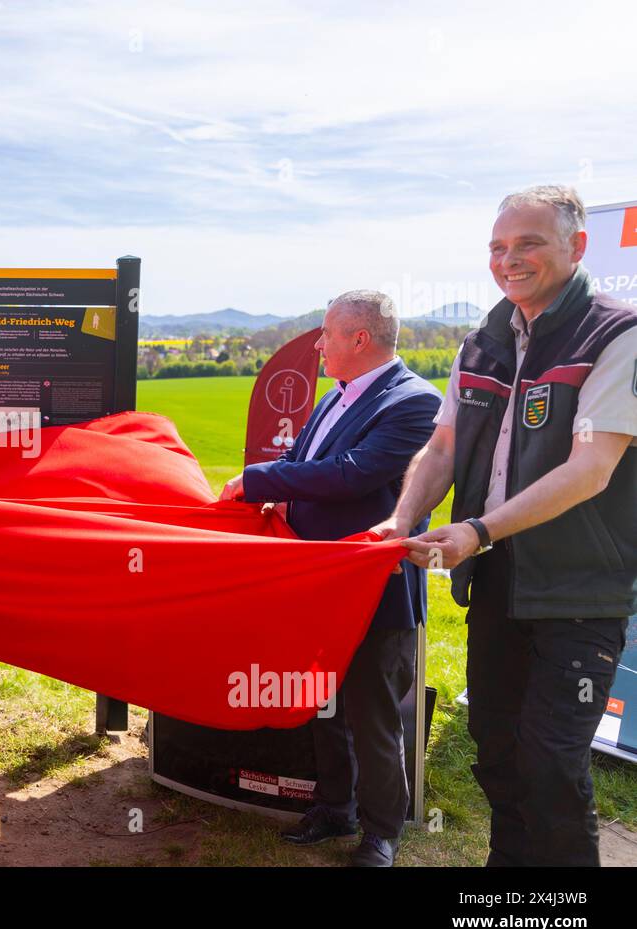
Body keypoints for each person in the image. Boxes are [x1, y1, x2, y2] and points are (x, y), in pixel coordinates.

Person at [379, 186, 637, 867]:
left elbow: (591, 469)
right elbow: (441, 447)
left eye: (528, 244)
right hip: (497, 586)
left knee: (552, 764)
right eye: (498, 247)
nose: (509, 259)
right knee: (497, 752)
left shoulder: (618, 334)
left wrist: (479, 531)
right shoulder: (484, 342)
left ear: (576, 248)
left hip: (579, 593)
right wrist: (403, 518)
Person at [220, 290, 441, 866]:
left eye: (326, 334)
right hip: (317, 587)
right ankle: (335, 808)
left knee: (373, 716)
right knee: (326, 707)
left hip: (375, 593)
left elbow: (354, 475)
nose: (317, 345)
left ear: (360, 339)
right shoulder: (334, 397)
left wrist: (258, 481)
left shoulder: (416, 402)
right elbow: (303, 465)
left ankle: (381, 833)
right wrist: (280, 504)